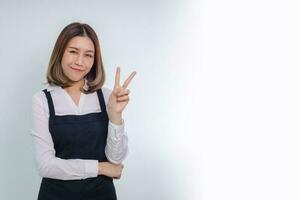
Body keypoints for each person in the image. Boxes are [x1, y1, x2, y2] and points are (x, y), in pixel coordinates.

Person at [30, 22, 136, 200]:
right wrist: (100, 168)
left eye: (88, 55)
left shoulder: (107, 97)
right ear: (60, 52)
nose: (80, 62)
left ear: (95, 60)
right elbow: (45, 166)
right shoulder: (42, 100)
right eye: (73, 51)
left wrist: (115, 116)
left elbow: (115, 161)